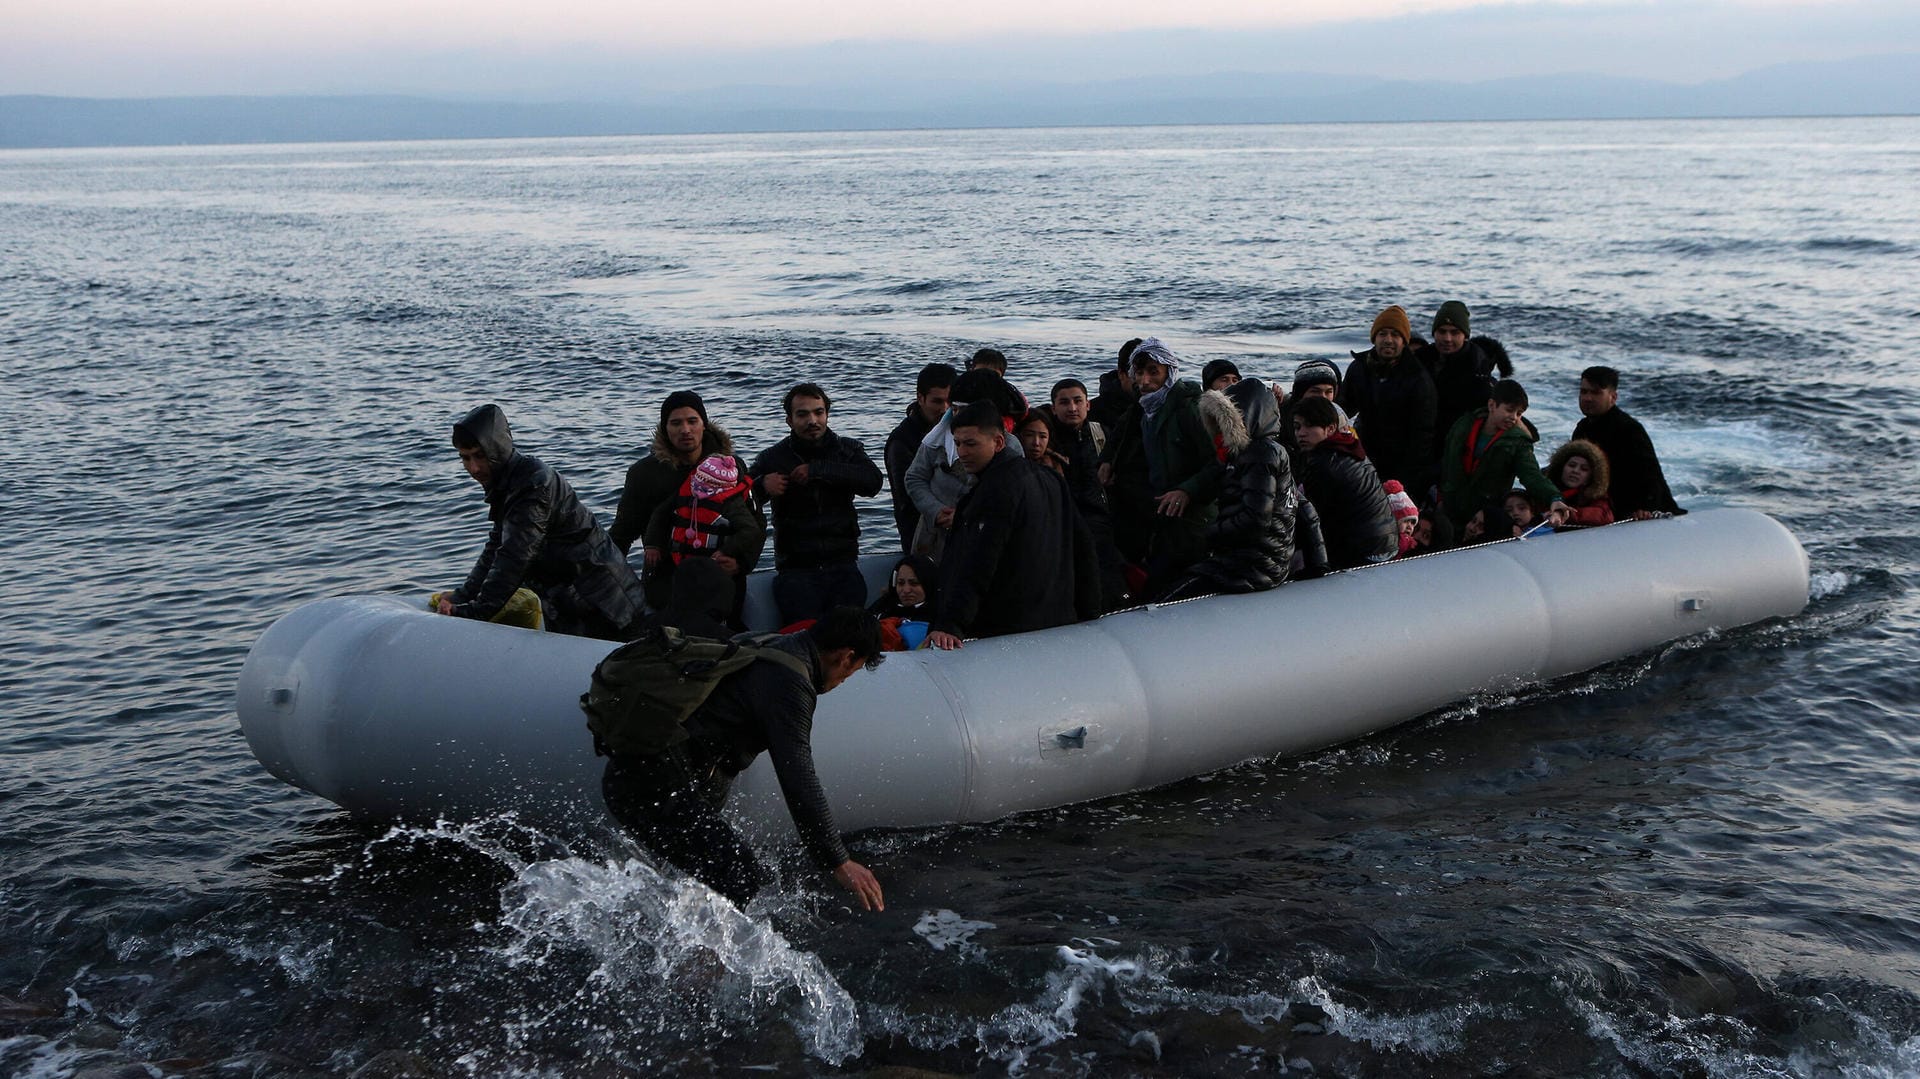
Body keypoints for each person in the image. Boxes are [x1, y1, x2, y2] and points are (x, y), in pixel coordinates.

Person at [599, 607, 887, 912]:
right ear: (846, 656)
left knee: (708, 876)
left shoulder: (762, 642)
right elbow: (798, 776)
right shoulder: (790, 682)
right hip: (652, 785)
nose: (843, 680)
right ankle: (697, 959)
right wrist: (838, 860)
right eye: (851, 672)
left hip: (641, 776)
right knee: (741, 875)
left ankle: (684, 950)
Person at [439, 404, 645, 640]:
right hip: (574, 600)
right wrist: (463, 595)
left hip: (607, 605)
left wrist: (474, 612)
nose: (473, 468)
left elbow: (515, 556)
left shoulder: (533, 485)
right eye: (465, 458)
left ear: (498, 449)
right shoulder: (509, 483)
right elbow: (497, 545)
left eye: (480, 456)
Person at [929, 403, 1101, 649]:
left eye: (971, 444)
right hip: (1057, 618)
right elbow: (1083, 547)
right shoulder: (1051, 478)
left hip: (1009, 627)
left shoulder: (995, 489)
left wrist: (950, 624)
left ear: (998, 443)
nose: (962, 452)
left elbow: (980, 560)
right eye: (957, 443)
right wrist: (1090, 609)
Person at [750, 383, 884, 626]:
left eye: (818, 412)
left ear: (827, 414)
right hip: (795, 570)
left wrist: (820, 469)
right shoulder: (772, 457)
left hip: (843, 564)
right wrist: (761, 486)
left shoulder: (848, 449)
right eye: (802, 414)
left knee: (850, 638)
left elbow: (873, 483)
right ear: (789, 420)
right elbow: (740, 500)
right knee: (805, 640)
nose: (812, 420)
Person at [1098, 337, 1222, 595]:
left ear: (1169, 372)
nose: (1144, 381)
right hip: (1164, 523)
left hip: (1195, 523)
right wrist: (1107, 462)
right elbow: (1123, 433)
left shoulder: (1189, 408)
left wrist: (1187, 491)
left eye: (1153, 372)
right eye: (1139, 373)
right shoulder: (1147, 411)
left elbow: (1219, 463)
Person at [610, 391, 751, 611]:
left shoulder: (731, 467)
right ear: (665, 429)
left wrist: (741, 563)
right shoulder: (643, 473)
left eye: (692, 421)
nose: (685, 430)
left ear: (704, 424)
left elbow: (754, 522)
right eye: (676, 423)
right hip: (666, 577)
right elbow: (622, 532)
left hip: (721, 572)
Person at [1161, 378, 1298, 599]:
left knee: (1172, 597)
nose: (1217, 432)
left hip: (1253, 565)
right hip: (1262, 560)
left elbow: (1256, 518)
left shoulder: (1260, 454)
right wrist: (1318, 564)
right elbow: (1305, 508)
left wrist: (1210, 534)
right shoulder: (1254, 454)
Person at [904, 369, 1024, 561]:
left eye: (964, 410)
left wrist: (966, 517)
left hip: (982, 540)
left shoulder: (1010, 447)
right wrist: (935, 511)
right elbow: (914, 478)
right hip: (934, 536)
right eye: (955, 409)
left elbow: (1011, 498)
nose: (956, 416)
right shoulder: (936, 439)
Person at [641, 452, 765, 626]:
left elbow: (752, 531)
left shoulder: (732, 503)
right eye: (697, 485)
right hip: (681, 567)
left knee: (728, 611)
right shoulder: (686, 490)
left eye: (706, 489)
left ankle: (731, 633)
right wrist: (652, 545)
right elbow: (660, 514)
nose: (698, 491)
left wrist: (730, 554)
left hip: (718, 569)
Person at [1438, 379, 1570, 533]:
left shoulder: (1518, 443)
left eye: (1519, 413)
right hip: (1449, 507)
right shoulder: (1463, 425)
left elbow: (1532, 476)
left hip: (1484, 518)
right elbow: (1447, 463)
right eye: (1509, 410)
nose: (1514, 417)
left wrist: (1554, 498)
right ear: (1492, 405)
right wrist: (1441, 497)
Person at [1338, 305, 1438, 495]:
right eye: (1382, 334)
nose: (1388, 340)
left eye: (1395, 335)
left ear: (1404, 341)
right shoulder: (1358, 368)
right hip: (1364, 459)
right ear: (1374, 337)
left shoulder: (1418, 378)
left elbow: (1422, 438)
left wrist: (1407, 485)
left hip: (1402, 466)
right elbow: (1342, 409)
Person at [1292, 395, 1399, 569]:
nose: (1301, 433)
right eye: (1297, 427)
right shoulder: (1351, 448)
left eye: (1310, 426)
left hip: (1364, 551)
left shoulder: (1324, 463)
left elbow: (1313, 518)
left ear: (1330, 428)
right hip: (1387, 542)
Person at [1571, 366, 1684, 519]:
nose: (1588, 398)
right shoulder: (1582, 428)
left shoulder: (1629, 429)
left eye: (1596, 392)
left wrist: (1646, 507)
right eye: (1584, 392)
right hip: (1606, 509)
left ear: (1613, 397)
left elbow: (1650, 473)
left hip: (1641, 514)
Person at [1417, 301, 1513, 458]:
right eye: (1442, 331)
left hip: (1460, 448)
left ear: (1465, 336)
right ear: (1434, 333)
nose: (1447, 338)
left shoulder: (1477, 367)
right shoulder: (1421, 359)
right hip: (1423, 443)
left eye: (1454, 332)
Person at [884, 362, 957, 551]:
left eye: (950, 402)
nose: (944, 409)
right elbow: (906, 497)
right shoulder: (902, 440)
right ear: (920, 398)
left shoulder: (957, 432)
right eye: (937, 401)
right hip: (919, 536)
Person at [1545, 439, 1615, 527]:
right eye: (1572, 465)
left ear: (1591, 476)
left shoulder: (1596, 495)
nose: (1575, 471)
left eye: (1584, 469)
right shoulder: (1544, 487)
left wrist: (1563, 513)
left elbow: (1604, 515)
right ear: (1561, 467)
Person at [1088, 338, 1141, 428]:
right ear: (1121, 374)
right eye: (1138, 373)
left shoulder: (1162, 408)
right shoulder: (1092, 412)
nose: (1146, 380)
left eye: (1153, 373)